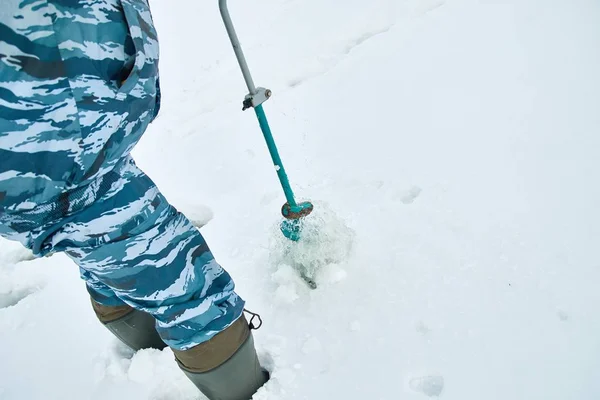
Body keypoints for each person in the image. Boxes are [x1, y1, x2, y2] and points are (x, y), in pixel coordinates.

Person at [0, 1, 269, 399]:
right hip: (51, 123)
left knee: (95, 232)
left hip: (74, 117)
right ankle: (249, 390)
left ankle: (151, 345)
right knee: (177, 279)